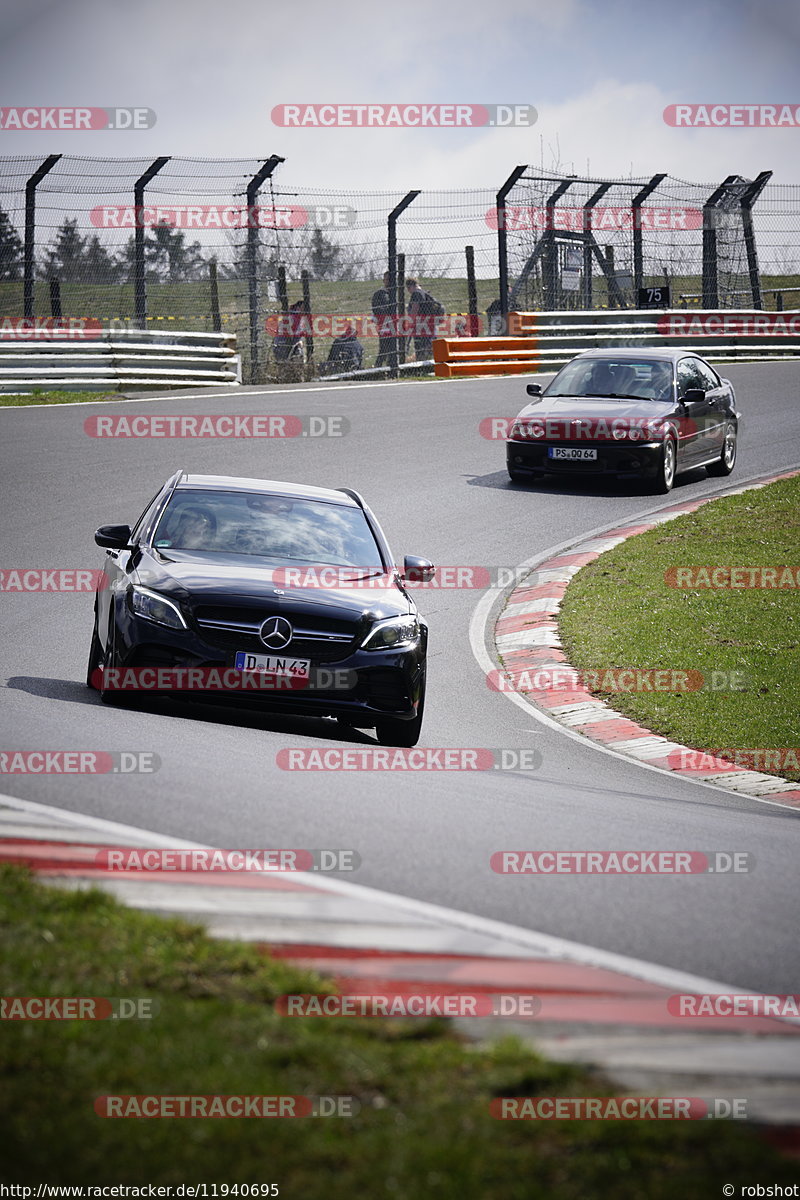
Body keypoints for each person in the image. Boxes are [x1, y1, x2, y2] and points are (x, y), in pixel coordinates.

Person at [405, 278, 442, 362]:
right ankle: (430, 364)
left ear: (409, 287)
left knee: (420, 348)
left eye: (408, 289)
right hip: (430, 325)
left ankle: (421, 367)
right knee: (429, 347)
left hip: (421, 326)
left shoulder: (416, 294)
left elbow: (415, 308)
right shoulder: (425, 293)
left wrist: (410, 321)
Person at [371, 271, 394, 369]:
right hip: (384, 324)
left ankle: (390, 366)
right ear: (383, 281)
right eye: (387, 279)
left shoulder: (395, 293)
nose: (389, 282)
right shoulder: (379, 294)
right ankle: (378, 367)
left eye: (391, 279)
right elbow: (377, 309)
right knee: (384, 347)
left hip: (395, 324)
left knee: (393, 347)